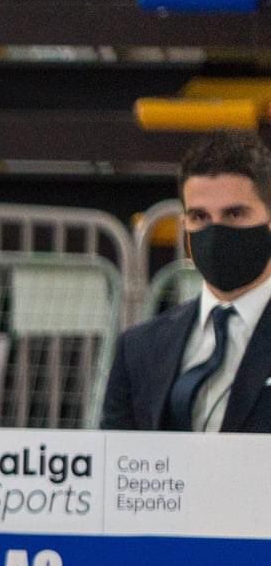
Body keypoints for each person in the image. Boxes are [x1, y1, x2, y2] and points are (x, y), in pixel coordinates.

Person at [103, 132, 271, 433]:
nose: (216, 232)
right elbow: (115, 455)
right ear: (185, 226)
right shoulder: (139, 348)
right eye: (199, 217)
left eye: (235, 213)